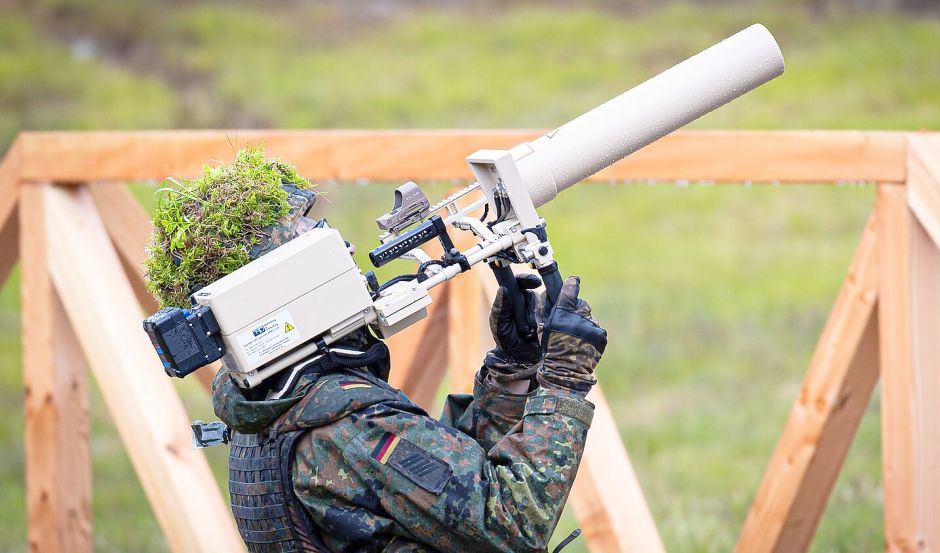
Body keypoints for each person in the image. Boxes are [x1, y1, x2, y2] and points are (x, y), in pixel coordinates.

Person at [150, 152, 607, 552]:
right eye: (319, 241)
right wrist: (563, 379)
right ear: (275, 291)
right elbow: (511, 524)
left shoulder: (274, 410)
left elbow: (448, 501)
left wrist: (513, 369)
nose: (347, 248)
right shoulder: (348, 433)